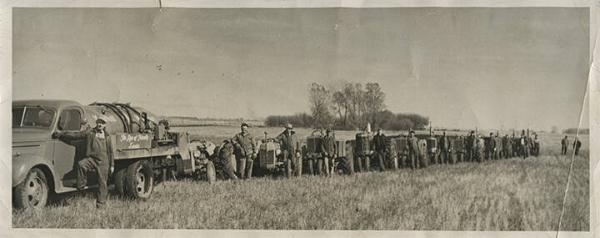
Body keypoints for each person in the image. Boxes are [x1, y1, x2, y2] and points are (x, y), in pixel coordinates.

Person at [53, 116, 113, 209]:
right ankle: (81, 186)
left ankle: (101, 204)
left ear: (105, 125)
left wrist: (112, 165)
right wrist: (61, 134)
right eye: (98, 122)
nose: (99, 124)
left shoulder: (107, 136)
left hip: (103, 162)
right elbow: (76, 135)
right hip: (92, 159)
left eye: (102, 123)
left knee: (102, 183)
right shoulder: (90, 132)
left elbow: (110, 152)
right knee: (81, 164)